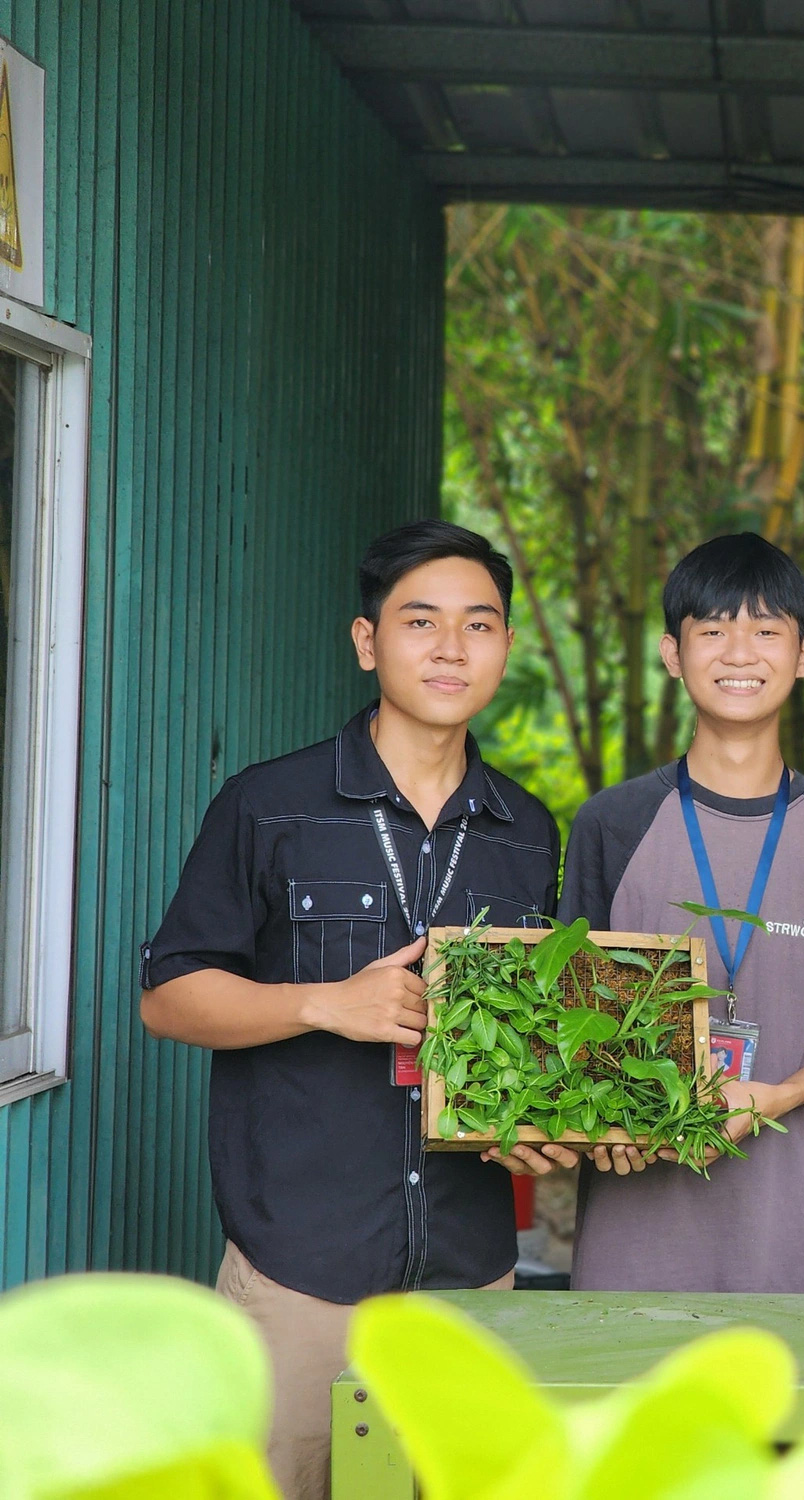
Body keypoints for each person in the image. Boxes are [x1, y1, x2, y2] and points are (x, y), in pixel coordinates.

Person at [140, 521, 562, 1500]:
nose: (451, 648)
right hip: (300, 1273)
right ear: (368, 641)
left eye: (479, 624)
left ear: (504, 645)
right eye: (421, 622)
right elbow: (169, 999)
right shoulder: (268, 806)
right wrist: (328, 1003)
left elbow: (530, 1042)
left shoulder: (527, 830)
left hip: (469, 1274)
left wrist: (536, 1119)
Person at [556, 532, 804, 1293]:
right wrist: (600, 1124)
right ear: (671, 654)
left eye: (766, 630)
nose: (739, 652)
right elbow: (572, 1024)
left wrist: (775, 1096)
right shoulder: (612, 824)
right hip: (635, 1230)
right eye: (712, 630)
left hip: (793, 1229)